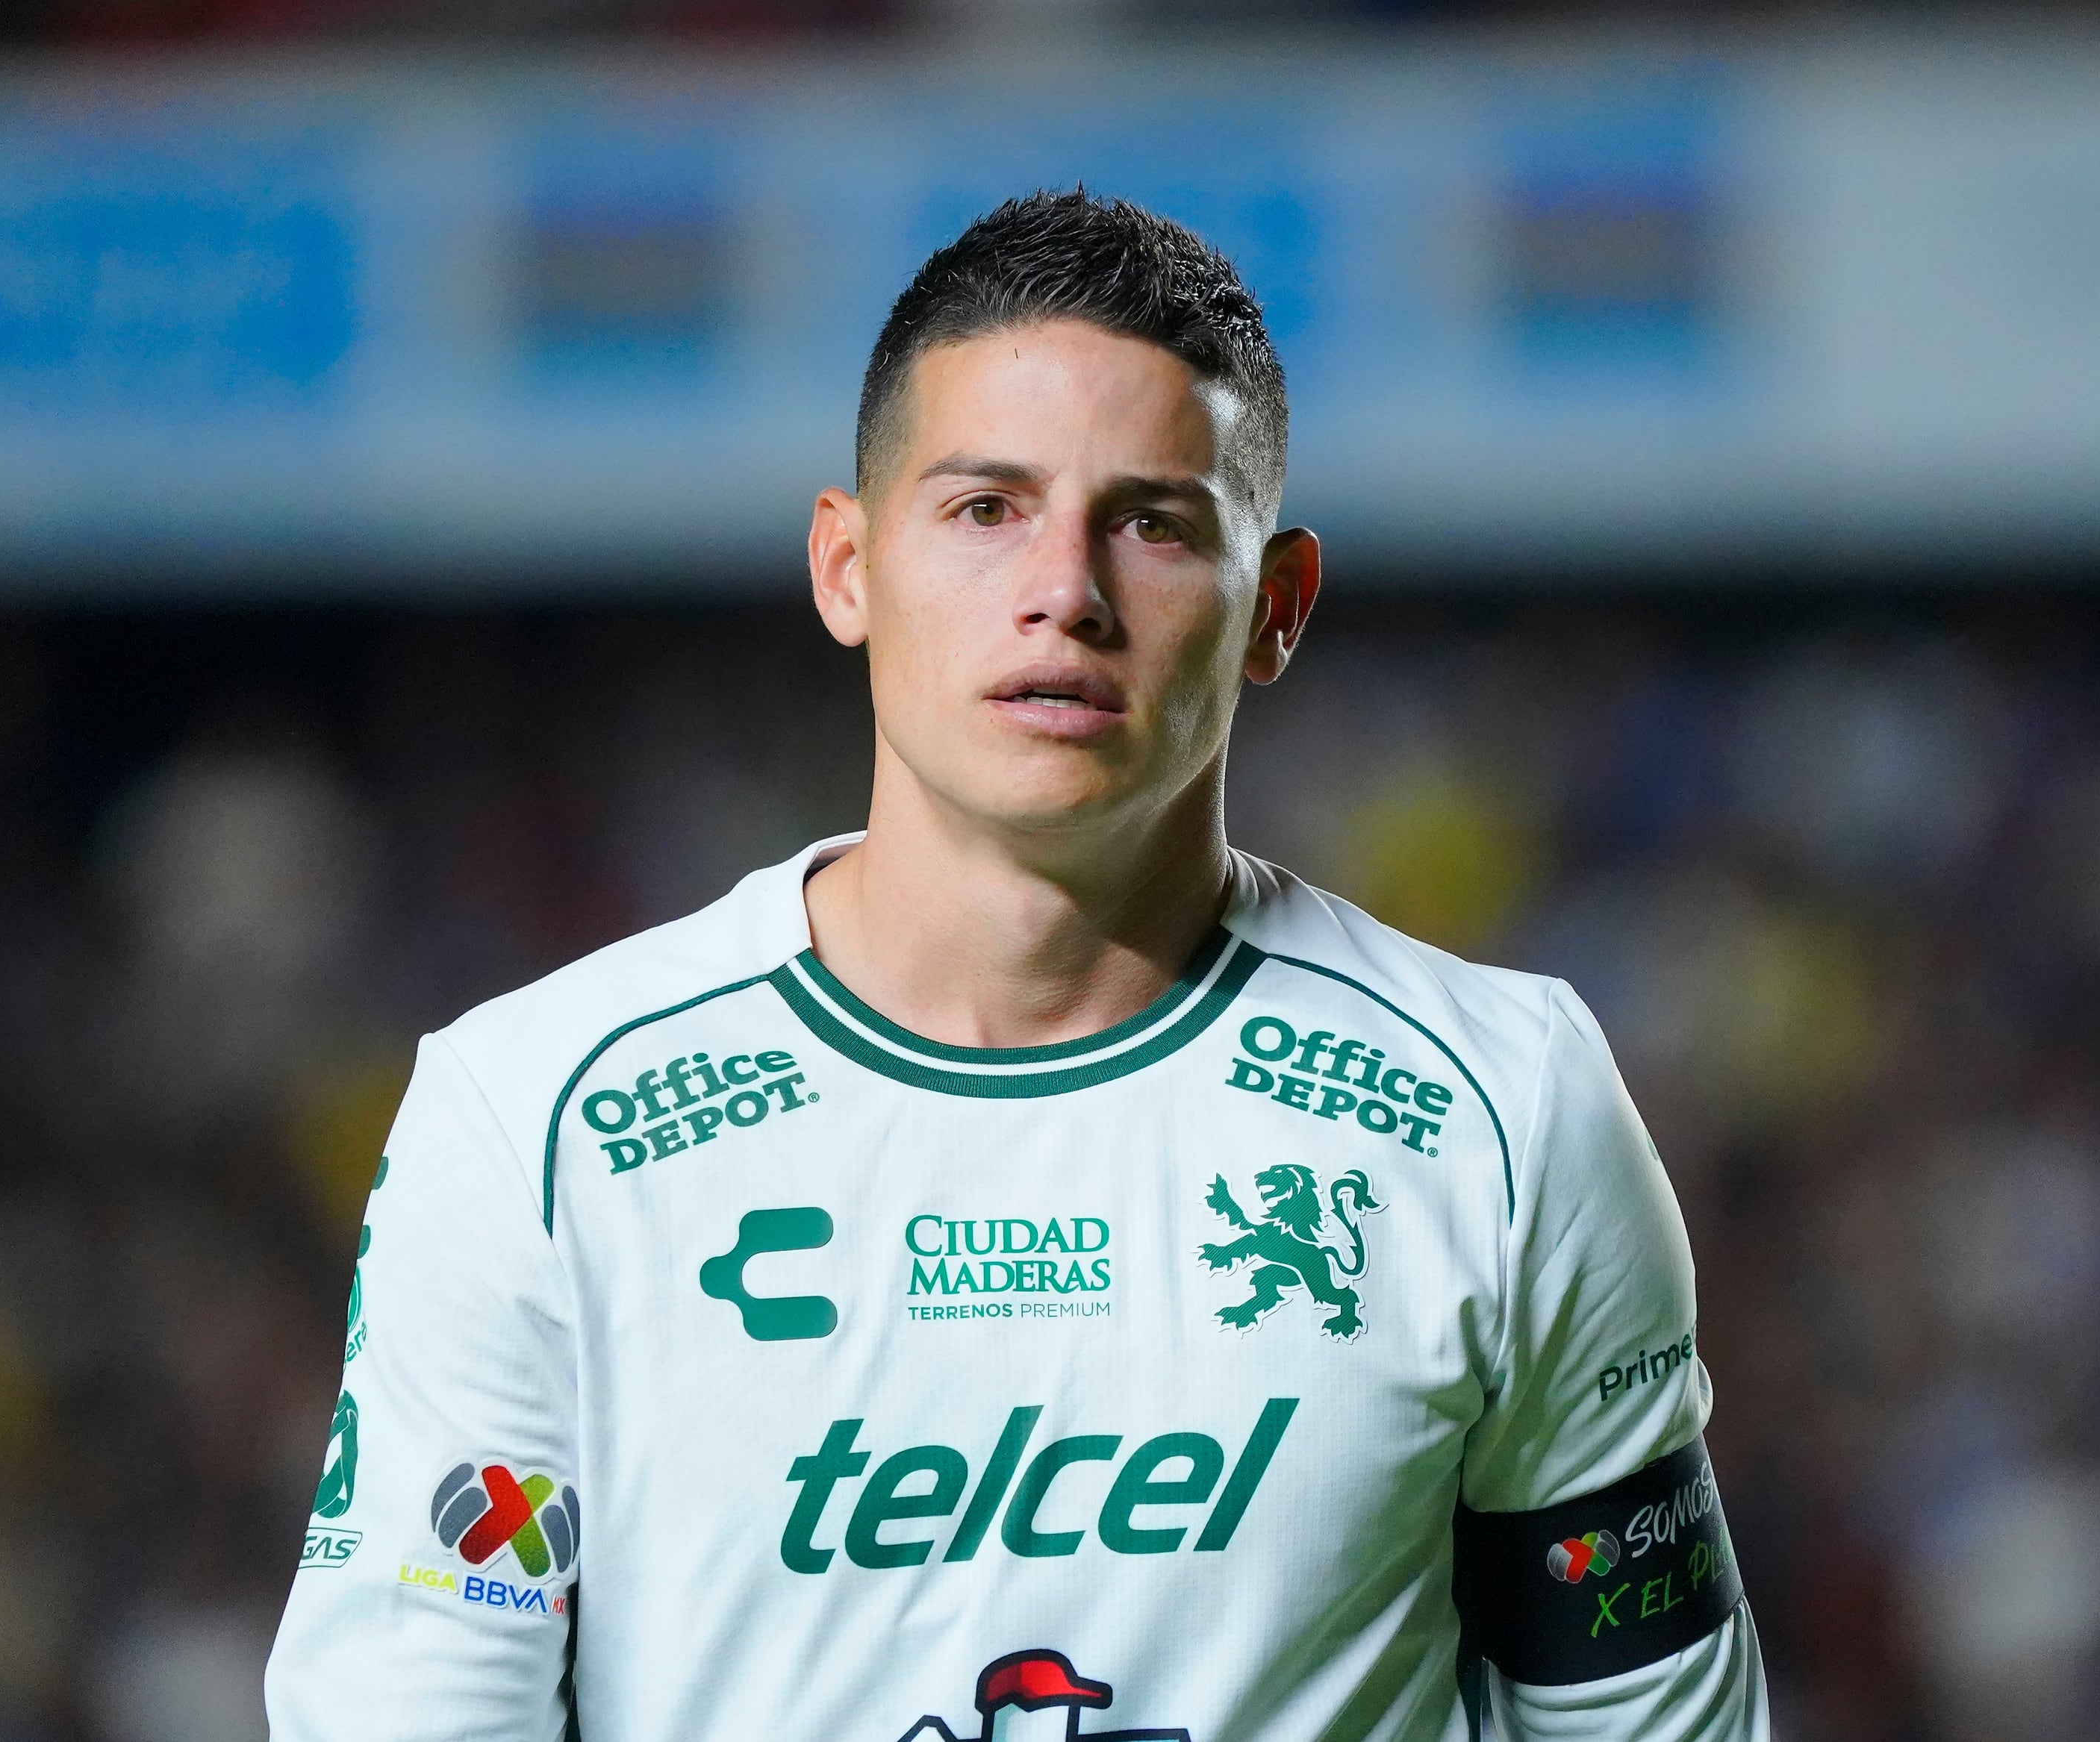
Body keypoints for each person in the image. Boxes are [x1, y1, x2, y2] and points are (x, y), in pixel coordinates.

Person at [264, 190, 1767, 1742]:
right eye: (986, 510)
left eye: (1155, 523)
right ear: (847, 565)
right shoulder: (536, 1122)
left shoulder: (1504, 1111)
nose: (1066, 591)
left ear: (1276, 607)